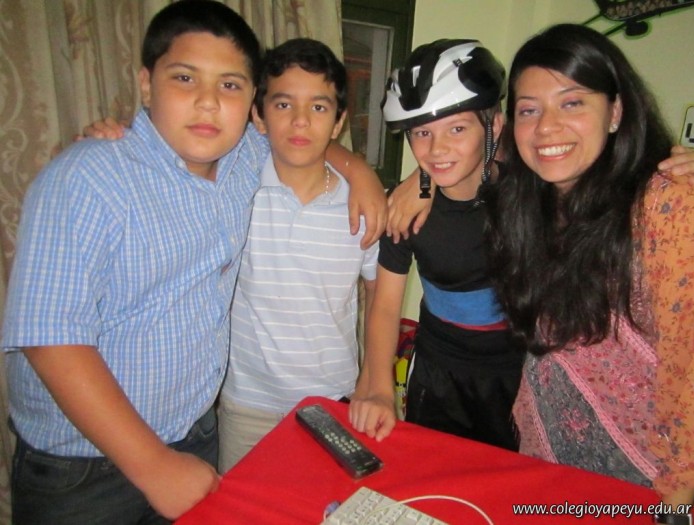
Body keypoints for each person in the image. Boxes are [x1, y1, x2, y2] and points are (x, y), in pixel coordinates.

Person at [1, 2, 385, 524]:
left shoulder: (242, 160)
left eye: (229, 85)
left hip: (194, 439)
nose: (208, 102)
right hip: (85, 472)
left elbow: (304, 136)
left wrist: (360, 170)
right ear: (146, 84)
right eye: (185, 78)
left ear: (249, 104)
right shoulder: (88, 177)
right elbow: (51, 338)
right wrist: (154, 466)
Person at [484, 24, 694, 520]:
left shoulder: (667, 204)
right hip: (549, 467)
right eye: (529, 110)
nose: (547, 127)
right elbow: (451, 156)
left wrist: (673, 508)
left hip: (648, 487)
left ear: (615, 112)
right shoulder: (530, 203)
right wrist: (417, 185)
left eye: (572, 103)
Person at [349, 39, 524, 451]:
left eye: (457, 129)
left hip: (520, 378)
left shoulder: (528, 194)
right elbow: (385, 306)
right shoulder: (405, 210)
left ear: (495, 126)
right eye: (422, 133)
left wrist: (423, 177)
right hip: (437, 374)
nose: (437, 149)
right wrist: (379, 389)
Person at [216, 38, 378, 471]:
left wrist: (372, 380)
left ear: (339, 121)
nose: (301, 120)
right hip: (247, 406)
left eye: (319, 107)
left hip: (333, 402)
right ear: (259, 115)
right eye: (284, 104)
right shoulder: (236, 187)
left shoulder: (362, 205)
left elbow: (379, 294)